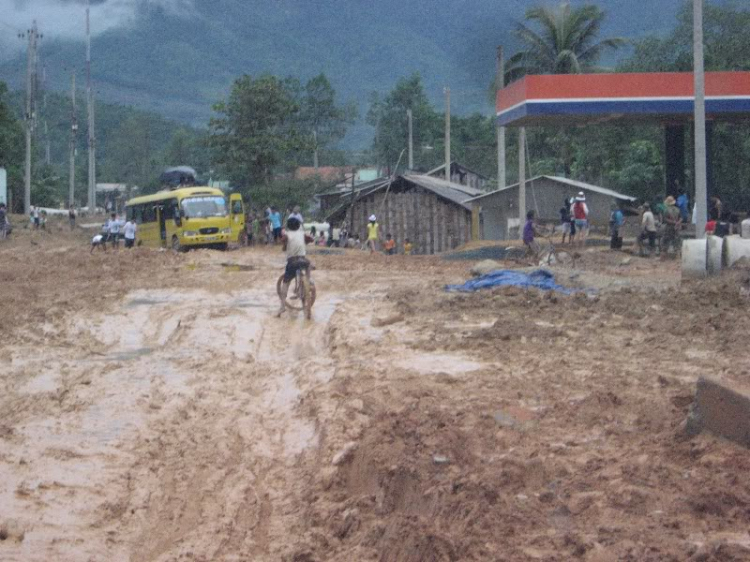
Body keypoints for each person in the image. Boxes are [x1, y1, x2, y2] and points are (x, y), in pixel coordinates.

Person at [277, 216, 313, 317]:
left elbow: (282, 243)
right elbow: (311, 239)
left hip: (292, 262)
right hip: (303, 260)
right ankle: (308, 281)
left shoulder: (287, 235)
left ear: (288, 226)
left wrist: (284, 244)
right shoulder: (302, 234)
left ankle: (282, 306)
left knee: (286, 282)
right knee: (308, 265)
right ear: (298, 226)